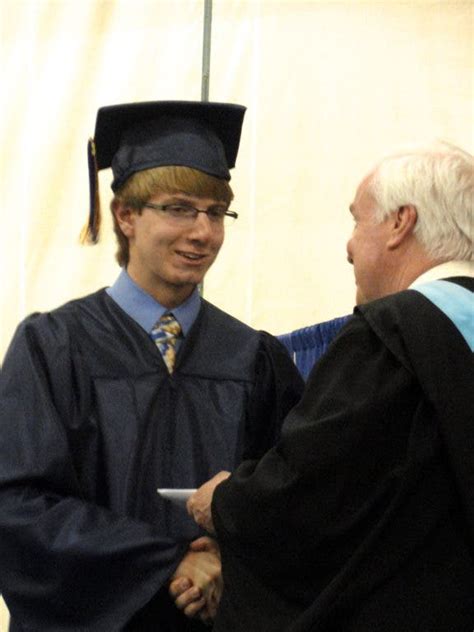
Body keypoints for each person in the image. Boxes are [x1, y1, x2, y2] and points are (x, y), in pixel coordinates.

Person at [0, 100, 304, 631]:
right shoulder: (53, 347)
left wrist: (228, 558)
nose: (203, 232)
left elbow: (296, 497)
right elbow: (18, 507)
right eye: (180, 208)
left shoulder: (255, 358)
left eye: (216, 212)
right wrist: (166, 561)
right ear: (125, 215)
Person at [186, 141, 474, 631]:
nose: (347, 247)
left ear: (401, 222)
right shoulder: (453, 329)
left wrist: (227, 501)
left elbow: (312, 489)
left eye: (357, 221)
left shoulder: (391, 333)